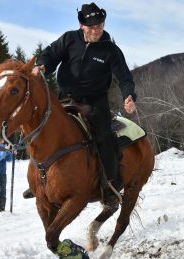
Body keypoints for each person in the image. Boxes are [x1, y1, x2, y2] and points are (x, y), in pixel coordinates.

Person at [31, 2, 137, 200]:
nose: (96, 30)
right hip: (64, 97)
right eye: (91, 27)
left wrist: (129, 96)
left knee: (105, 135)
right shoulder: (69, 39)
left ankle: (110, 185)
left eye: (99, 25)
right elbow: (51, 54)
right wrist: (42, 66)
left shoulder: (110, 50)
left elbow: (125, 78)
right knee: (41, 127)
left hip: (94, 101)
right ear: (81, 25)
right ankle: (38, 179)